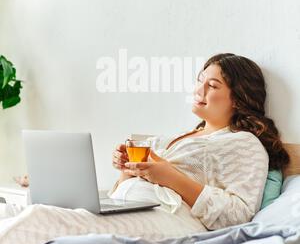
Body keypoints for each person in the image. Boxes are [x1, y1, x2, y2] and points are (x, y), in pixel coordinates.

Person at [111, 53, 290, 230]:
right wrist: (127, 169)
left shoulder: (244, 143)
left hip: (162, 221)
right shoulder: (175, 138)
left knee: (83, 229)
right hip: (122, 209)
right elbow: (127, 187)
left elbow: (239, 215)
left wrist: (170, 178)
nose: (198, 90)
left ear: (237, 99)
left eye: (212, 86)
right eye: (200, 80)